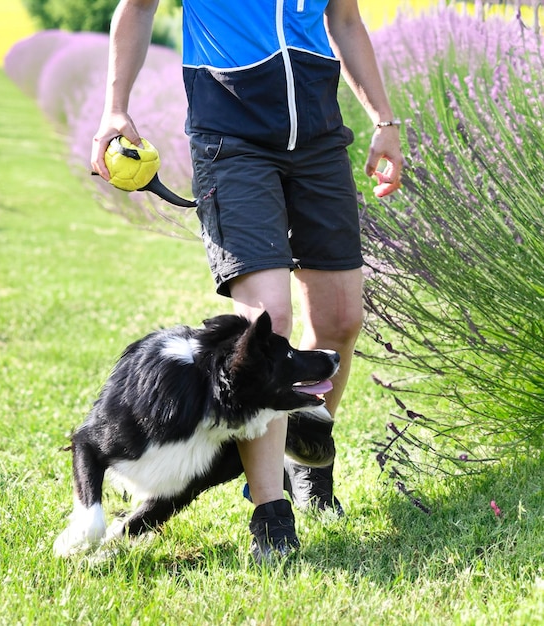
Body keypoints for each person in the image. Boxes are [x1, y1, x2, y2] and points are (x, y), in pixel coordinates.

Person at [91, 0, 404, 564]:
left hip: (317, 137)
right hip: (230, 139)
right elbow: (138, 7)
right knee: (268, 323)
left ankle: (306, 459)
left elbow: (346, 19)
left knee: (339, 320)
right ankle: (271, 514)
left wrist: (383, 121)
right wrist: (115, 108)